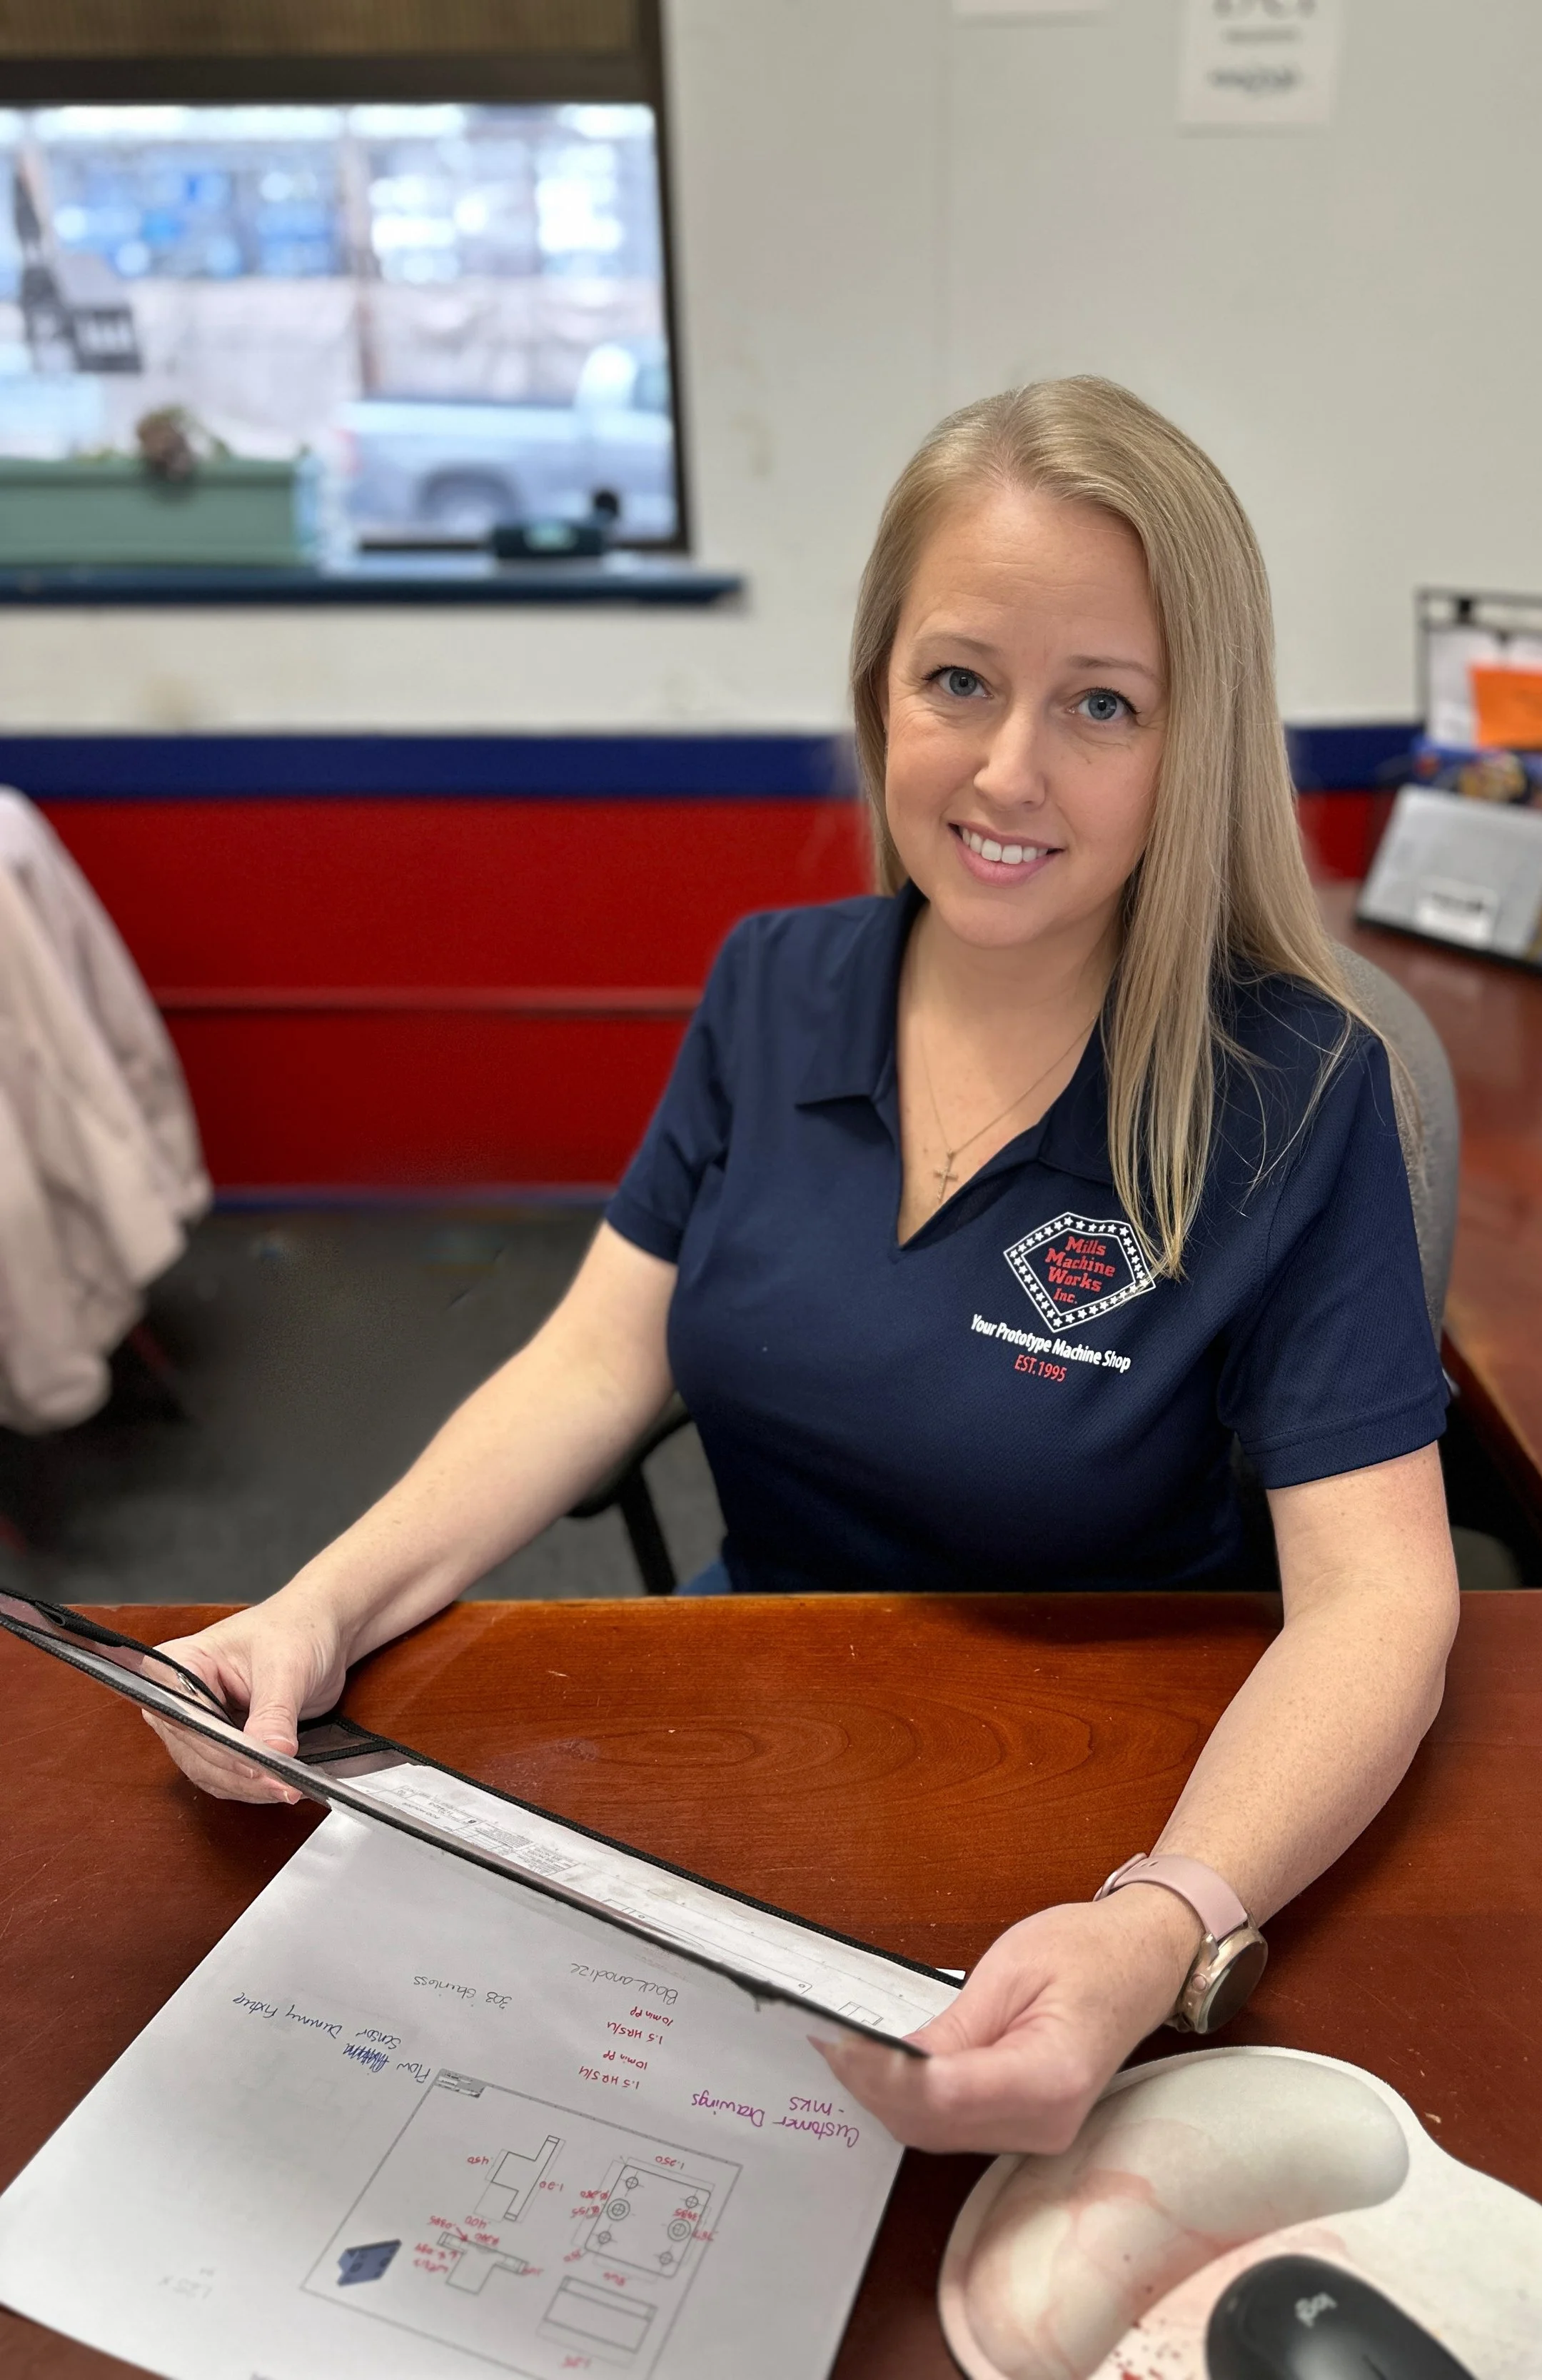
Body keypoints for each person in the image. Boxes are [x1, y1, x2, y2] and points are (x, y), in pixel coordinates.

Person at [146, 378, 1458, 2159]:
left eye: (1100, 704)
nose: (1007, 771)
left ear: (1193, 740)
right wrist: (321, 1604)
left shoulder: (1292, 1091)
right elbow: (594, 1363)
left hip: (1106, 1793)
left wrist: (1161, 1925)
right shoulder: (775, 986)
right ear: (878, 690)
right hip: (753, 1733)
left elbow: (1377, 1601)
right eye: (958, 680)